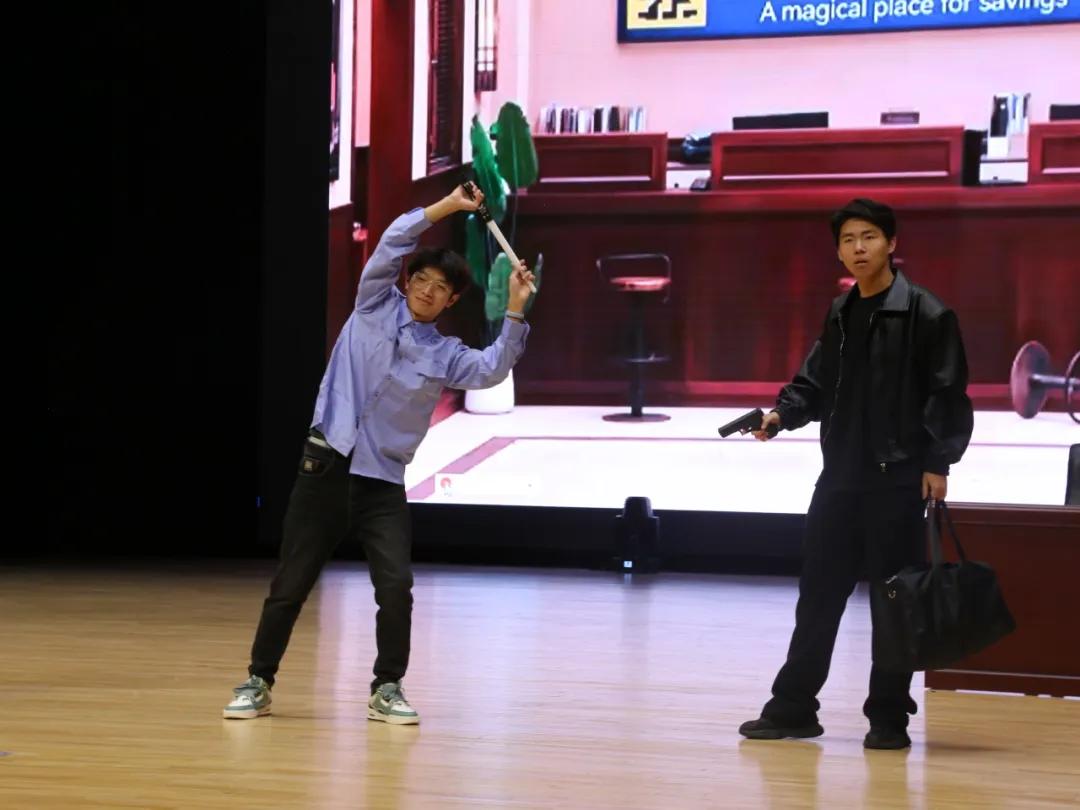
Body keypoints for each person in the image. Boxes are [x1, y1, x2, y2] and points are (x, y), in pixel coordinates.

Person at [223, 185, 537, 724]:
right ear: (407, 281)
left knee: (395, 587)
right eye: (422, 280)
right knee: (290, 584)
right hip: (325, 464)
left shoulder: (446, 354)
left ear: (451, 301)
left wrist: (514, 309)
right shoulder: (372, 303)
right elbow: (394, 239)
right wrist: (448, 206)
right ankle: (258, 681)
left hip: (382, 481)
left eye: (441, 288)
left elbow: (491, 370)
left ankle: (386, 687)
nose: (428, 291)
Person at [738, 198, 973, 750]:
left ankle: (888, 718)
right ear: (839, 251)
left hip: (898, 480)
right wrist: (781, 416)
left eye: (869, 237)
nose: (858, 248)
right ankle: (793, 708)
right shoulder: (842, 311)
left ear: (891, 243)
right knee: (817, 597)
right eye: (848, 240)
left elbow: (947, 394)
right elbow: (816, 381)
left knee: (894, 604)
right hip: (840, 479)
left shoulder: (927, 313)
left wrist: (938, 462)